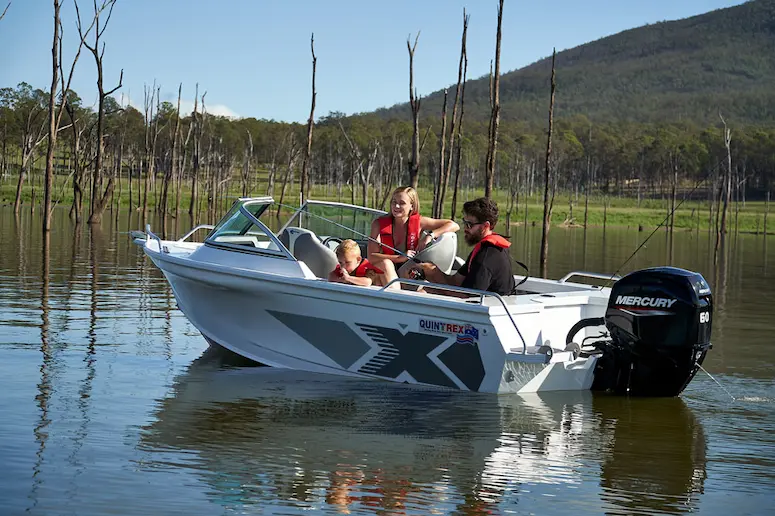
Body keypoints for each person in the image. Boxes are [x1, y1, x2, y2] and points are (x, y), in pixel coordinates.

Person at [405, 197, 515, 296]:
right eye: (464, 222)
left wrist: (433, 276)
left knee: (427, 291)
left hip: (488, 307)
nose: (465, 228)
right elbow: (456, 281)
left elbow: (469, 297)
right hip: (483, 302)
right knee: (428, 290)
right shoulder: (483, 249)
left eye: (469, 225)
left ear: (485, 226)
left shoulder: (486, 256)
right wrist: (432, 271)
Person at [367, 186, 460, 279]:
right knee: (386, 264)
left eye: (402, 203)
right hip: (386, 270)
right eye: (394, 202)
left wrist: (430, 236)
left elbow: (454, 225)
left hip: (409, 269)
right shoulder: (378, 224)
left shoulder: (420, 222)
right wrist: (399, 258)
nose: (396, 206)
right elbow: (372, 257)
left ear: (412, 206)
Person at [328, 239, 399, 289]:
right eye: (340, 262)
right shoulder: (342, 269)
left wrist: (349, 278)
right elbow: (331, 276)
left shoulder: (367, 268)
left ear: (358, 260)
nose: (343, 266)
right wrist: (341, 280)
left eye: (347, 262)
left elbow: (367, 282)